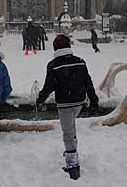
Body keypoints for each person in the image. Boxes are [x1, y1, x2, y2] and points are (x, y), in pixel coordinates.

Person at [36, 35, 99, 180]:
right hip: (79, 101)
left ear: (55, 48)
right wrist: (94, 100)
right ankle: (73, 152)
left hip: (65, 103)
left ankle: (73, 166)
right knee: (71, 129)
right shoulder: (80, 62)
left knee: (67, 133)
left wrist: (40, 99)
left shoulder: (53, 65)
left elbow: (49, 86)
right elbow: (88, 82)